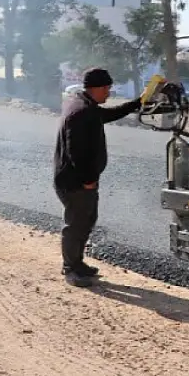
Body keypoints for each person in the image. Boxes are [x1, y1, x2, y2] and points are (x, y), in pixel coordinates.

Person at [52, 67, 147, 287]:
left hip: (79, 179)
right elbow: (75, 150)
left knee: (86, 221)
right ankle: (71, 269)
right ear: (98, 88)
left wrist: (137, 103)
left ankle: (78, 263)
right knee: (76, 224)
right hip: (75, 181)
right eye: (107, 89)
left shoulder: (85, 105)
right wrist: (87, 180)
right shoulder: (81, 111)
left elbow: (108, 114)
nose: (109, 93)